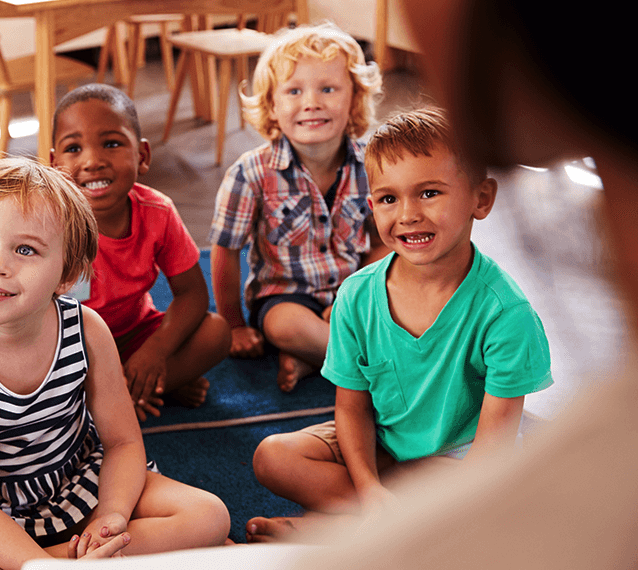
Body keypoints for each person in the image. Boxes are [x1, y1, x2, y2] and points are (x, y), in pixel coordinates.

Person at [246, 107, 553, 542]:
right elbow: (352, 409)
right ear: (372, 207)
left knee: (467, 503)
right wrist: (369, 488)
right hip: (385, 442)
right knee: (272, 456)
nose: (407, 214)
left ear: (480, 199)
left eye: (429, 193)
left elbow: (490, 459)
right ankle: (382, 521)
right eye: (389, 199)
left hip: (461, 456)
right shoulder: (356, 296)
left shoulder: (506, 314)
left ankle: (330, 529)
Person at [0, 158, 231, 570]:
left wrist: (111, 517)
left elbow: (123, 442)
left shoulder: (86, 328)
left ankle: (87, 559)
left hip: (80, 476)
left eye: (25, 249)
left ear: (67, 275)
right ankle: (76, 564)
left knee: (210, 515)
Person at [209, 22, 387, 392]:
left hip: (351, 291)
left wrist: (355, 295)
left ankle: (313, 360)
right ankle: (378, 375)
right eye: (293, 91)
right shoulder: (250, 173)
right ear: (272, 106)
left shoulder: (372, 164)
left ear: (354, 98)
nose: (312, 103)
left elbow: (381, 240)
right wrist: (235, 325)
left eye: (328, 89)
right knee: (285, 327)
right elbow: (225, 250)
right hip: (284, 296)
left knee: (417, 296)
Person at [50, 84, 231, 421]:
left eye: (112, 144)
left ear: (142, 156)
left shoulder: (158, 212)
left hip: (136, 335)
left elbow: (192, 294)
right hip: (69, 348)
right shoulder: (49, 225)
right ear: (53, 163)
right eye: (73, 148)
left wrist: (156, 352)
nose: (92, 161)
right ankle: (134, 393)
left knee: (216, 334)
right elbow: (35, 320)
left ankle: (125, 393)